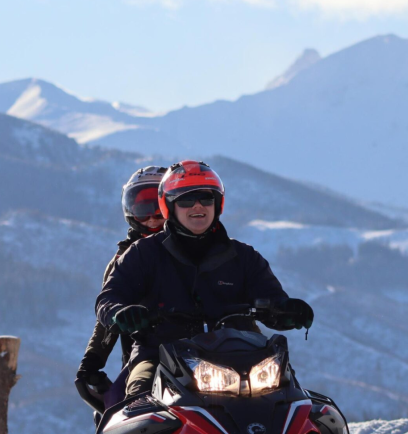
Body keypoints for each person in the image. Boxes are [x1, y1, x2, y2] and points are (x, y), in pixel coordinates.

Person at [95, 160, 314, 397]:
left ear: (217, 204)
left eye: (206, 198)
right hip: (160, 355)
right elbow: (109, 298)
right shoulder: (142, 254)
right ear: (170, 206)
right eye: (186, 199)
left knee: (299, 404)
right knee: (136, 408)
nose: (197, 205)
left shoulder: (244, 257)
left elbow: (272, 299)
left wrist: (288, 310)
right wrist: (122, 313)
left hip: (242, 357)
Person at [76, 166, 167, 405]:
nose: (151, 218)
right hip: (148, 356)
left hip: (205, 354)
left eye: (159, 210)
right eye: (142, 210)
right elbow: (107, 314)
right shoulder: (124, 260)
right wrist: (92, 362)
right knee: (121, 405)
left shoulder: (199, 251)